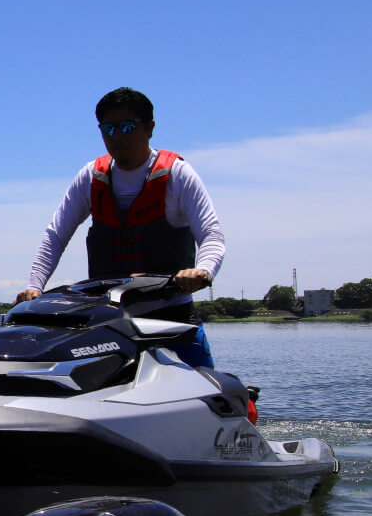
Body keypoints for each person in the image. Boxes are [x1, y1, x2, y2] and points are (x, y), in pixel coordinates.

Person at [16, 87, 224, 367]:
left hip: (171, 318)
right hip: (109, 322)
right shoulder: (90, 176)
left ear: (149, 128)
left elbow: (211, 234)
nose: (118, 136)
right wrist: (34, 287)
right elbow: (55, 236)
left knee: (208, 393)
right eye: (109, 129)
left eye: (127, 127)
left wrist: (202, 270)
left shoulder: (177, 175)